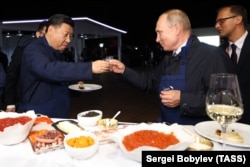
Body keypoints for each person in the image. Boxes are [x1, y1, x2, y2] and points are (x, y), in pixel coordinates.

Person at [110, 9, 235, 125]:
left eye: (159, 32)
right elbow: (149, 82)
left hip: (197, 135)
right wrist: (124, 71)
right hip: (169, 130)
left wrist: (183, 99)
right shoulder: (169, 58)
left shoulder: (212, 55)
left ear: (176, 28)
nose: (157, 39)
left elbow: (226, 101)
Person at [19, 14, 110, 118]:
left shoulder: (57, 51)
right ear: (51, 30)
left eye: (70, 36)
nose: (68, 40)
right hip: (40, 110)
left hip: (60, 109)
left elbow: (61, 75)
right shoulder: (34, 49)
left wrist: (75, 83)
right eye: (65, 35)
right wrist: (89, 67)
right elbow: (48, 69)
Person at [215, 5, 250, 124]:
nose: (217, 26)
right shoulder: (218, 52)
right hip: (225, 123)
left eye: (221, 21)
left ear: (238, 19)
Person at [4, 21, 48, 112]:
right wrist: (10, 103)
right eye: (45, 35)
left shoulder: (55, 55)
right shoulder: (22, 52)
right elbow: (11, 77)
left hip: (48, 104)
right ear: (38, 34)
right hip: (25, 104)